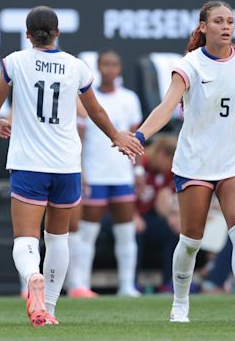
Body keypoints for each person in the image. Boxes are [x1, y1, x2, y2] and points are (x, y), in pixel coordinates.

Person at [0, 6, 143, 327]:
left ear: (28, 35)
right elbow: (95, 111)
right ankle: (51, 309)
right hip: (66, 164)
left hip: (29, 163)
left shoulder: (14, 62)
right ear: (58, 33)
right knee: (58, 240)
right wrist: (116, 136)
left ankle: (32, 277)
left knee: (26, 240)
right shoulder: (76, 67)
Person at [134, 0, 235, 323]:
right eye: (218, 21)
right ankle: (180, 304)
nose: (226, 26)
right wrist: (140, 136)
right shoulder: (190, 64)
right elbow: (166, 106)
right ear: (203, 27)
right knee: (190, 241)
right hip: (195, 163)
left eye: (230, 21)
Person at [76, 50, 143, 297]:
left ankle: (127, 285)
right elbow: (80, 139)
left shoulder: (130, 99)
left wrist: (137, 169)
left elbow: (136, 137)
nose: (109, 69)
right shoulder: (86, 99)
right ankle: (82, 284)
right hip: (95, 174)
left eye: (114, 64)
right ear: (98, 67)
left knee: (126, 232)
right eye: (105, 64)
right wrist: (81, 172)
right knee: (87, 234)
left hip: (122, 175)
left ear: (120, 68)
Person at [135, 133, 180, 292]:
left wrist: (172, 216)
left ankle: (169, 283)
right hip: (125, 215)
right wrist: (133, 215)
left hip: (147, 216)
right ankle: (132, 282)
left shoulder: (164, 173)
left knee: (171, 232)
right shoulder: (139, 164)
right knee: (135, 231)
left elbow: (161, 202)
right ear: (162, 154)